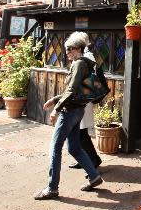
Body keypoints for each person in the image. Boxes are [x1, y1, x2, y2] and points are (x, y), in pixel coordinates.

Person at [34, 31, 103, 200]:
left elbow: (71, 90)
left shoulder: (79, 63)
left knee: (55, 147)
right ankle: (94, 177)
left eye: (70, 48)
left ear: (78, 48)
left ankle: (52, 188)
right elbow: (74, 89)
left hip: (70, 111)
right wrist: (54, 99)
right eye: (66, 49)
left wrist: (57, 109)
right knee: (74, 148)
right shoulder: (83, 63)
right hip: (77, 110)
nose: (67, 52)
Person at [69, 32, 102, 170]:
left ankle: (93, 160)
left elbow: (84, 78)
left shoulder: (87, 56)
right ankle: (85, 159)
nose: (70, 51)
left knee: (80, 130)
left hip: (83, 98)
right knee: (79, 130)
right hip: (81, 97)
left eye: (72, 47)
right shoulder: (87, 55)